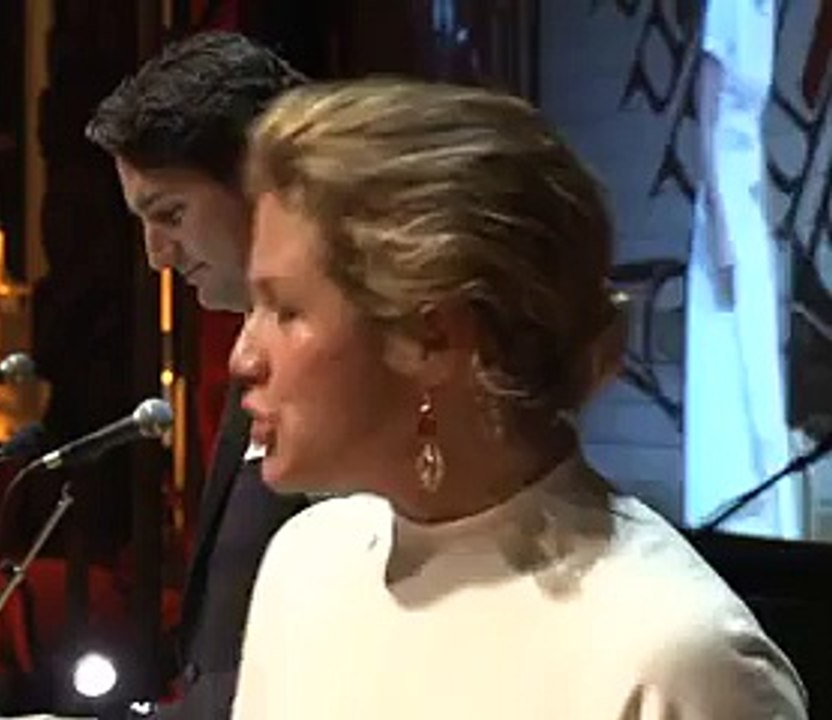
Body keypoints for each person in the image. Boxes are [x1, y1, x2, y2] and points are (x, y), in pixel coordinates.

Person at [227, 78, 807, 719]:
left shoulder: (672, 654)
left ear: (433, 336)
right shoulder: (304, 567)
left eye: (285, 309)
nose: (242, 358)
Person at [85, 31, 310, 719]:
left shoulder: (356, 380)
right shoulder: (255, 350)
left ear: (262, 183)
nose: (157, 256)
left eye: (172, 215)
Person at [684, 0, 798, 538]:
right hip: (723, 195)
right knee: (727, 348)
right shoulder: (727, 6)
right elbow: (705, 119)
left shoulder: (763, 11)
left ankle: (765, 507)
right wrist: (720, 226)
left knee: (757, 350)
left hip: (749, 193)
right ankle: (725, 506)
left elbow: (751, 122)